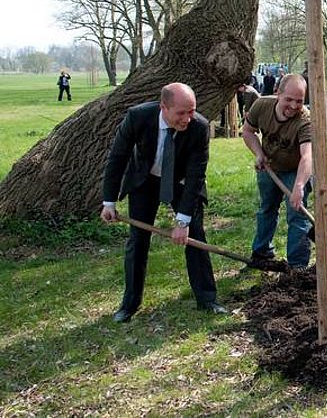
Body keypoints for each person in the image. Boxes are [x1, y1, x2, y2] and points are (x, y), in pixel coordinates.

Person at [101, 83, 225, 322]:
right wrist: (109, 202)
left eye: (191, 111)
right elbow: (117, 158)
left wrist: (183, 221)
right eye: (181, 113)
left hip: (181, 182)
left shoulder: (199, 127)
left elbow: (196, 175)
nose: (187, 118)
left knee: (195, 236)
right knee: (137, 240)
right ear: (163, 107)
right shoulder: (138, 117)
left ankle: (207, 298)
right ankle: (129, 304)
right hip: (144, 180)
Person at [241, 73, 313, 268]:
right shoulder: (262, 105)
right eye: (288, 99)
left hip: (294, 171)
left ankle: (297, 266)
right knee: (267, 209)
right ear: (277, 93)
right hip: (269, 167)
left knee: (297, 214)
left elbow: (307, 156)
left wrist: (299, 185)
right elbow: (247, 131)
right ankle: (262, 253)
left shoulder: (305, 120)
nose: (293, 106)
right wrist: (258, 153)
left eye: (299, 101)